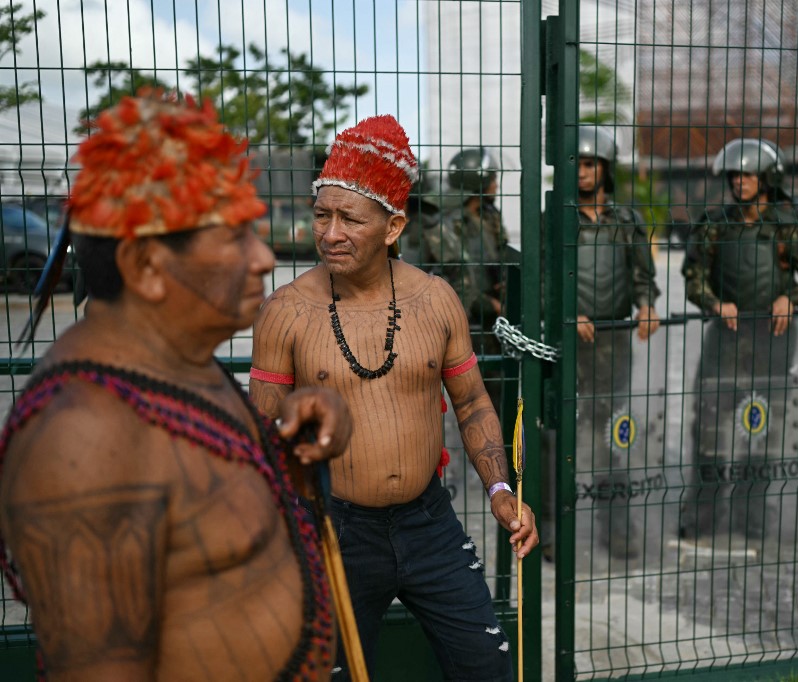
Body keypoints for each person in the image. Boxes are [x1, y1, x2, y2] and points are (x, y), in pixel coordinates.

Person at [0, 91, 354, 680]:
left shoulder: (177, 362)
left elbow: (205, 496)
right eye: (236, 236)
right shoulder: (82, 438)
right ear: (146, 267)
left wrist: (295, 448)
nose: (265, 257)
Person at [248, 115, 539, 682]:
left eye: (349, 219)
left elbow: (474, 402)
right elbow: (264, 440)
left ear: (393, 226)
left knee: (487, 666)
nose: (330, 233)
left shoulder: (436, 301)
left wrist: (501, 490)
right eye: (321, 215)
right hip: (335, 530)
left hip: (429, 522)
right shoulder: (286, 311)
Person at [679, 138, 798, 543]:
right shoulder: (715, 224)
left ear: (767, 178)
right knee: (709, 426)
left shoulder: (788, 225)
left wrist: (791, 298)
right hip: (724, 342)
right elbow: (692, 276)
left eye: (747, 174)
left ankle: (754, 510)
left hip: (772, 341)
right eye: (734, 174)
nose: (738, 181)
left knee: (762, 427)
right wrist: (714, 302)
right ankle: (705, 510)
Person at [570, 125, 660, 560]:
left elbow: (644, 276)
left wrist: (646, 305)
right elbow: (547, 279)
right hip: (569, 346)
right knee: (561, 436)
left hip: (614, 345)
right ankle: (553, 528)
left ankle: (617, 526)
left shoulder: (627, 221)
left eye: (590, 164)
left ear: (604, 169)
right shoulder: (558, 219)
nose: (583, 173)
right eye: (577, 165)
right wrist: (569, 314)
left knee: (613, 434)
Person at [425, 147, 511, 412]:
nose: (496, 183)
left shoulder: (489, 217)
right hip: (466, 325)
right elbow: (460, 279)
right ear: (478, 182)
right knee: (468, 404)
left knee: (498, 400)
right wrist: (492, 304)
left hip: (493, 325)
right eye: (491, 178)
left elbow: (501, 258)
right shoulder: (446, 226)